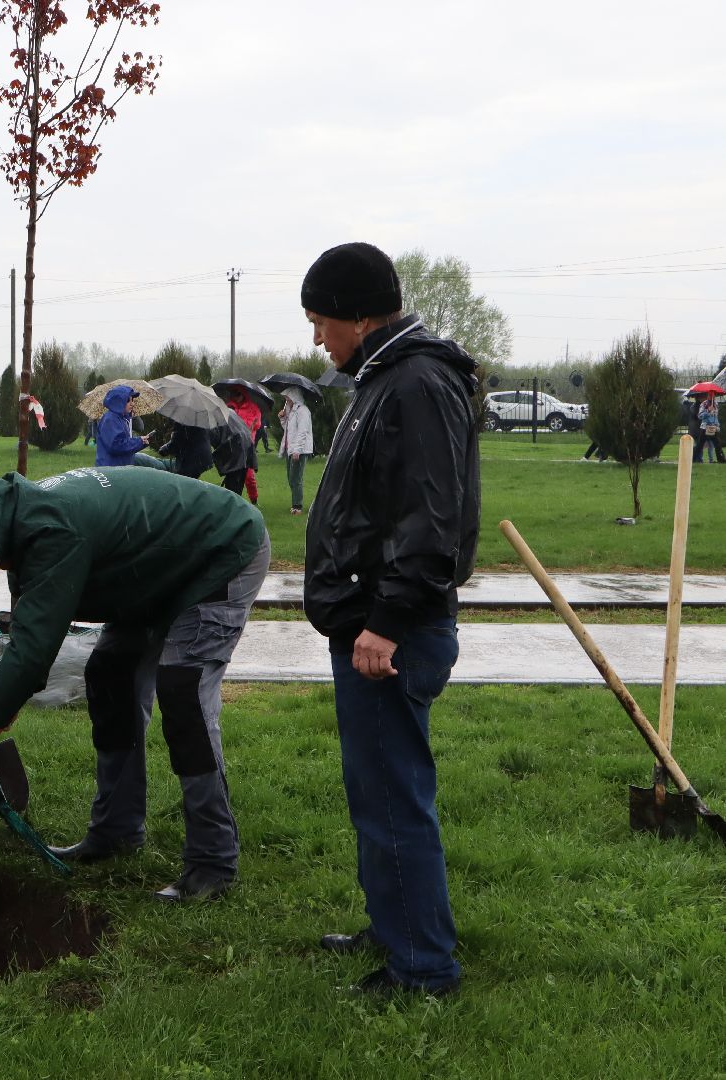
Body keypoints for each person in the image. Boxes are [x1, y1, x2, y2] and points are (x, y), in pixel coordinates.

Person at [0, 467, 269, 901]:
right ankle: (117, 831)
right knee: (110, 675)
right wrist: (9, 696)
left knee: (184, 691)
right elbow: (33, 633)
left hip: (221, 550)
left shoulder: (52, 531)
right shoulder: (24, 519)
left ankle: (213, 861)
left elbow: (34, 648)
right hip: (152, 569)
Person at [300, 241, 479, 997]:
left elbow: (431, 521)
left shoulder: (414, 384)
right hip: (371, 623)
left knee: (394, 797)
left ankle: (423, 969)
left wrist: (388, 620)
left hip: (390, 632)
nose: (318, 339)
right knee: (374, 792)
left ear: (358, 314)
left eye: (321, 321)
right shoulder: (383, 380)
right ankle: (396, 924)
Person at [222, 386, 264, 504]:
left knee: (249, 476)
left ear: (243, 394)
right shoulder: (229, 407)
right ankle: (232, 498)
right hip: (233, 445)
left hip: (247, 446)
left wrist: (250, 427)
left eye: (238, 394)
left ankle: (254, 499)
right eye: (234, 394)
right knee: (232, 473)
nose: (236, 397)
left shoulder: (253, 408)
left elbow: (256, 425)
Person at [277, 387, 314, 514]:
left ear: (294, 397)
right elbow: (288, 430)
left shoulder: (303, 411)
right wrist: (282, 418)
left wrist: (297, 450)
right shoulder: (291, 412)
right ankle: (295, 504)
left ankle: (297, 506)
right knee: (291, 477)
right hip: (290, 449)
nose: (286, 400)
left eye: (288, 397)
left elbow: (302, 431)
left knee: (296, 478)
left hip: (299, 450)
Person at [94, 386, 148, 466]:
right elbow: (116, 445)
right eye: (127, 401)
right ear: (118, 402)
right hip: (110, 470)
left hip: (120, 468)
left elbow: (125, 443)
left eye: (132, 400)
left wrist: (141, 442)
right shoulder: (110, 419)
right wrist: (139, 441)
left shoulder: (122, 418)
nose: (132, 404)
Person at [698, 393, 722, 463]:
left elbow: (715, 417)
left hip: (714, 427)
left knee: (717, 444)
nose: (712, 396)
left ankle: (721, 459)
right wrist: (708, 411)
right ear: (708, 396)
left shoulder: (716, 404)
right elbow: (700, 416)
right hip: (705, 427)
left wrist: (717, 425)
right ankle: (697, 458)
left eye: (713, 395)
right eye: (710, 395)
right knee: (700, 444)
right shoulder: (704, 404)